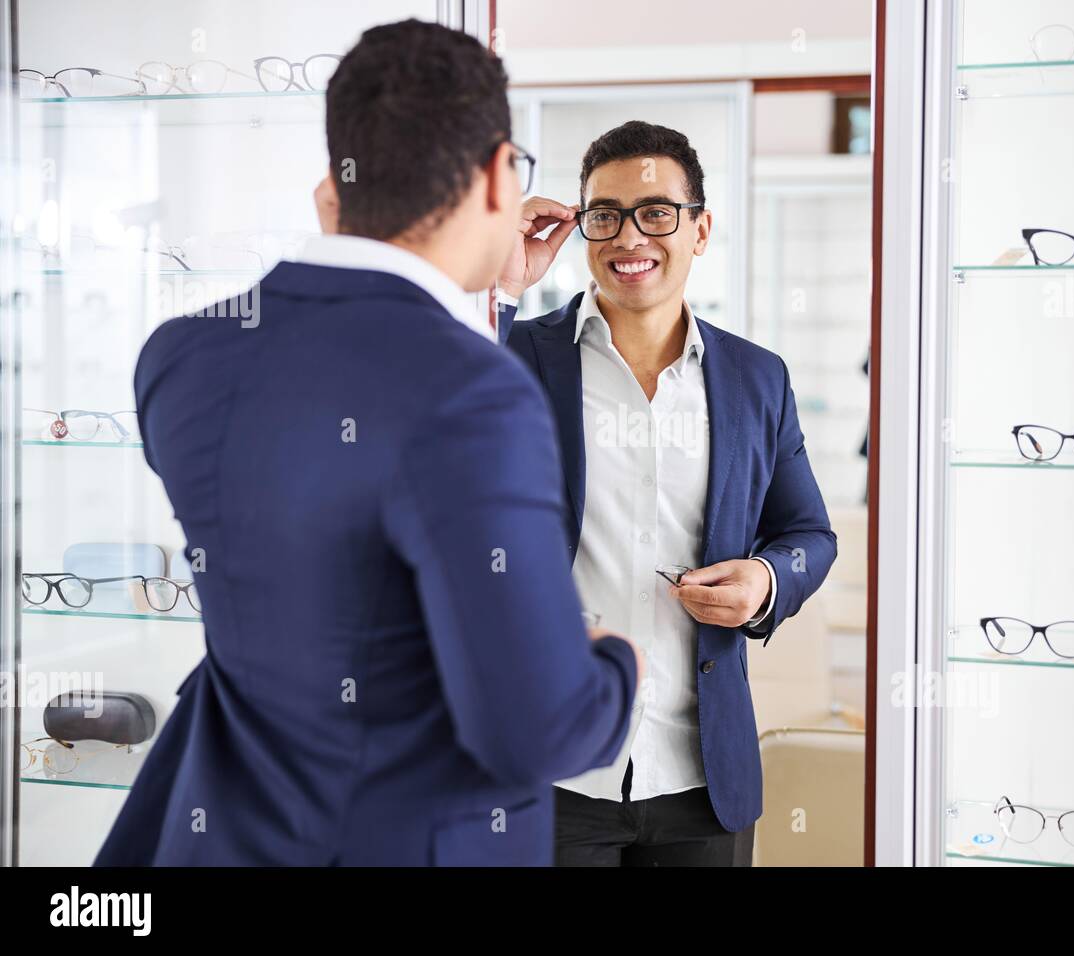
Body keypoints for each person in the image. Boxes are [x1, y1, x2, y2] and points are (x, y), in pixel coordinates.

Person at [94, 19, 639, 867]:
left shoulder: (183, 358)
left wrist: (470, 300)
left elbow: (358, 441)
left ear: (337, 182)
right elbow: (536, 730)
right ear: (500, 174)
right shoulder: (473, 394)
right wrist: (615, 663)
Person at [496, 121, 838, 866]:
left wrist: (767, 580)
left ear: (700, 229)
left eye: (656, 212)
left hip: (700, 777)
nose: (629, 236)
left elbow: (810, 533)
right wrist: (502, 289)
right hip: (550, 770)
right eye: (604, 215)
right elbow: (429, 439)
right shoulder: (515, 356)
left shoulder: (757, 378)